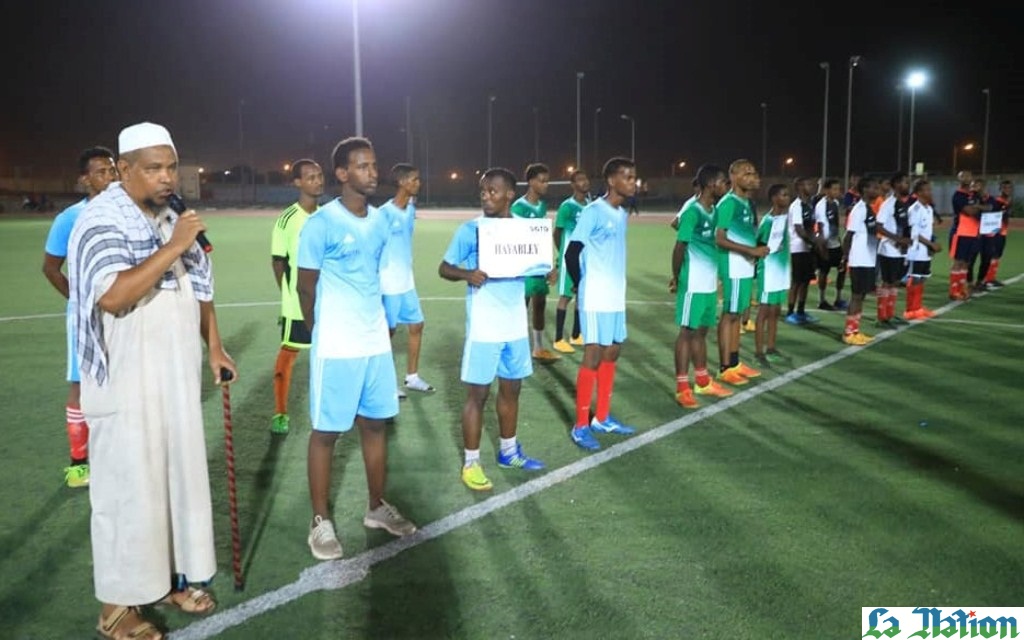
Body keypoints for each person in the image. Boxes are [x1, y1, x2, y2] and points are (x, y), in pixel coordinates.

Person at [68, 122, 236, 639]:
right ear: (123, 170)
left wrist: (214, 345)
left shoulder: (171, 217)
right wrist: (173, 245)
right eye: (154, 168)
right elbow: (114, 296)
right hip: (125, 380)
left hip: (175, 373)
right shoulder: (99, 220)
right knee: (128, 490)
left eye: (171, 167)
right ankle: (116, 608)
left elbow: (200, 286)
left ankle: (165, 580)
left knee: (174, 480)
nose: (168, 178)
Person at [297, 136, 416, 562]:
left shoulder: (382, 221)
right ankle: (319, 520)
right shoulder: (322, 224)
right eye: (362, 166)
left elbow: (376, 276)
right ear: (343, 174)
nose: (372, 172)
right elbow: (304, 287)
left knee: (375, 426)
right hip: (336, 345)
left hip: (373, 344)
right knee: (327, 432)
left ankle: (376, 507)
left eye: (374, 164)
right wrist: (320, 334)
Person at [439, 168, 546, 490]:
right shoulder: (470, 230)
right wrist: (466, 274)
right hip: (485, 327)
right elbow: (444, 268)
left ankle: (509, 452)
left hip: (514, 325)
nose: (486, 196)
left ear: (510, 194)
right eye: (483, 191)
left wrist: (546, 271)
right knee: (478, 395)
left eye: (493, 191)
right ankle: (471, 463)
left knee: (512, 390)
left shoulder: (525, 231)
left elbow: (536, 265)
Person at [42, 146, 117, 487]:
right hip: (85, 317)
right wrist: (80, 300)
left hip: (121, 312)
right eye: (101, 171)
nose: (109, 177)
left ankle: (117, 456)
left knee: (122, 380)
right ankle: (78, 463)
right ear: (84, 180)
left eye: (113, 170)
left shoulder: (127, 212)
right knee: (81, 385)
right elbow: (50, 268)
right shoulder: (69, 218)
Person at [563, 157, 638, 451]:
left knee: (612, 353)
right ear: (611, 181)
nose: (633, 182)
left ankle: (602, 418)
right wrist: (579, 282)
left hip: (615, 295)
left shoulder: (621, 213)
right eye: (628, 177)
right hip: (594, 295)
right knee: (592, 356)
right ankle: (581, 425)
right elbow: (572, 252)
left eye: (634, 177)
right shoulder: (594, 211)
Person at [669, 164, 733, 409]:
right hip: (692, 284)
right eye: (722, 181)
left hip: (708, 285)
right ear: (710, 184)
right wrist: (676, 277)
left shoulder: (714, 211)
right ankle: (682, 387)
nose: (724, 185)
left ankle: (703, 381)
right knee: (686, 333)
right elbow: (679, 247)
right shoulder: (693, 211)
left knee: (702, 332)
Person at [269, 159, 324, 434]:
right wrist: (289, 296)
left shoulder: (326, 216)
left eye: (319, 176)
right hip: (297, 304)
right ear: (298, 183)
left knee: (328, 354)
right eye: (310, 177)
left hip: (325, 303)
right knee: (289, 356)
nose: (317, 181)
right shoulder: (287, 220)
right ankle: (280, 413)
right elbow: (278, 261)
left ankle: (328, 410)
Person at [380, 163, 435, 396]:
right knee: (386, 333)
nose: (418, 183)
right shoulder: (383, 213)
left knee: (417, 325)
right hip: (388, 283)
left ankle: (411, 377)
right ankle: (384, 384)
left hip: (406, 282)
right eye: (413, 179)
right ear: (402, 182)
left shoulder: (410, 209)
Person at [713, 160, 769, 386]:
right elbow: (719, 238)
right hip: (733, 265)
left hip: (745, 265)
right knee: (730, 315)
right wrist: (750, 250)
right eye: (747, 173)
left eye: (754, 173)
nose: (753, 177)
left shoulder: (746, 203)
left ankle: (734, 362)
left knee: (737, 315)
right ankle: (724, 367)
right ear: (734, 177)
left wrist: (758, 248)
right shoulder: (729, 203)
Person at [511, 163, 559, 362]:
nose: (546, 184)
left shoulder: (541, 206)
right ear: (531, 182)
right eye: (542, 180)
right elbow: (513, 238)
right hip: (522, 266)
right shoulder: (518, 207)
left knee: (540, 304)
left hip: (538, 266)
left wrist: (549, 265)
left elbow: (541, 237)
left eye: (547, 180)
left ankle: (538, 348)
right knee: (519, 306)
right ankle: (514, 348)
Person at [552, 169, 590, 353]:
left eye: (585, 179)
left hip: (585, 259)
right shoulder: (567, 206)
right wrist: (564, 255)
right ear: (573, 185)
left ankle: (576, 335)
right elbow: (557, 232)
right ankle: (558, 338)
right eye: (580, 180)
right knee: (566, 297)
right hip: (570, 259)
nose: (584, 182)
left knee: (581, 296)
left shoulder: (590, 205)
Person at [841, 176, 882, 345]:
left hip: (868, 259)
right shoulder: (859, 209)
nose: (876, 190)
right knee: (856, 296)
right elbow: (848, 235)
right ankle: (848, 332)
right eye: (873, 187)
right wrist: (844, 258)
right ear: (864, 189)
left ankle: (856, 329)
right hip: (858, 259)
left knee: (862, 295)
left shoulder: (868, 208)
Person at [755, 184, 792, 365]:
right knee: (764, 310)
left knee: (775, 310)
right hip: (769, 271)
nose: (787, 198)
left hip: (782, 270)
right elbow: (758, 244)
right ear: (774, 198)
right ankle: (758, 350)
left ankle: (771, 346)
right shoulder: (768, 221)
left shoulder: (786, 219)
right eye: (783, 195)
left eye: (787, 195)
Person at [874, 172, 913, 327]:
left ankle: (889, 314)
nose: (907, 185)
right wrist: (897, 239)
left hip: (900, 250)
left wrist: (907, 241)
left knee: (895, 282)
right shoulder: (888, 203)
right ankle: (881, 317)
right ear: (896, 185)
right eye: (904, 183)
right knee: (887, 282)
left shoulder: (903, 204)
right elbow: (879, 226)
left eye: (908, 183)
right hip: (888, 249)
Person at [904, 179, 941, 320]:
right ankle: (910, 310)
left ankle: (918, 307)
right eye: (926, 190)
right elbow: (914, 234)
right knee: (915, 278)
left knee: (922, 279)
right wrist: (930, 244)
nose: (929, 192)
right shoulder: (915, 209)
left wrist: (932, 244)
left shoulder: (929, 209)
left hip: (926, 251)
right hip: (916, 250)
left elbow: (927, 231)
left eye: (930, 189)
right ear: (918, 193)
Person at [785, 176, 820, 324]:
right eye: (808, 184)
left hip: (807, 248)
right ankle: (790, 312)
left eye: (811, 184)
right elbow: (799, 229)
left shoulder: (809, 205)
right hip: (798, 248)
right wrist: (814, 242)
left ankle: (801, 311)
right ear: (799, 187)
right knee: (797, 281)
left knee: (806, 281)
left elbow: (811, 227)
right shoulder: (797, 206)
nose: (811, 186)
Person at [814, 178, 847, 310]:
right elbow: (821, 226)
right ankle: (822, 300)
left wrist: (839, 240)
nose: (837, 191)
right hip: (825, 244)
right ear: (826, 190)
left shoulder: (835, 203)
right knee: (824, 271)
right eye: (834, 189)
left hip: (835, 243)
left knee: (842, 268)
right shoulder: (821, 205)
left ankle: (838, 298)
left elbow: (835, 224)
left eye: (838, 189)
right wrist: (823, 248)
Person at [949, 171, 983, 300]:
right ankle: (953, 291)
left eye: (969, 175)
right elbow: (970, 211)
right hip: (961, 232)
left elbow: (987, 208)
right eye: (963, 176)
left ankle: (961, 289)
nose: (967, 178)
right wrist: (979, 207)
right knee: (958, 262)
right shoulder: (958, 195)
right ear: (959, 179)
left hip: (973, 233)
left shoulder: (974, 195)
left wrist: (978, 206)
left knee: (966, 263)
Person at [983, 180, 1013, 287]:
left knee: (997, 255)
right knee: (993, 255)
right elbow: (991, 216)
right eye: (1004, 188)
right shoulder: (997, 201)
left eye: (1009, 188)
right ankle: (986, 279)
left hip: (1003, 231)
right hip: (996, 232)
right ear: (1000, 189)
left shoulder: (1007, 200)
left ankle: (991, 278)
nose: (1007, 190)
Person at [973, 177, 1000, 292]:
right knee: (970, 259)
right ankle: (968, 283)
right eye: (973, 186)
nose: (974, 188)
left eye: (977, 186)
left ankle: (980, 281)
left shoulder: (991, 199)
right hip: (974, 233)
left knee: (986, 258)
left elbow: (991, 208)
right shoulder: (972, 198)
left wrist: (978, 206)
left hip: (988, 234)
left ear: (983, 187)